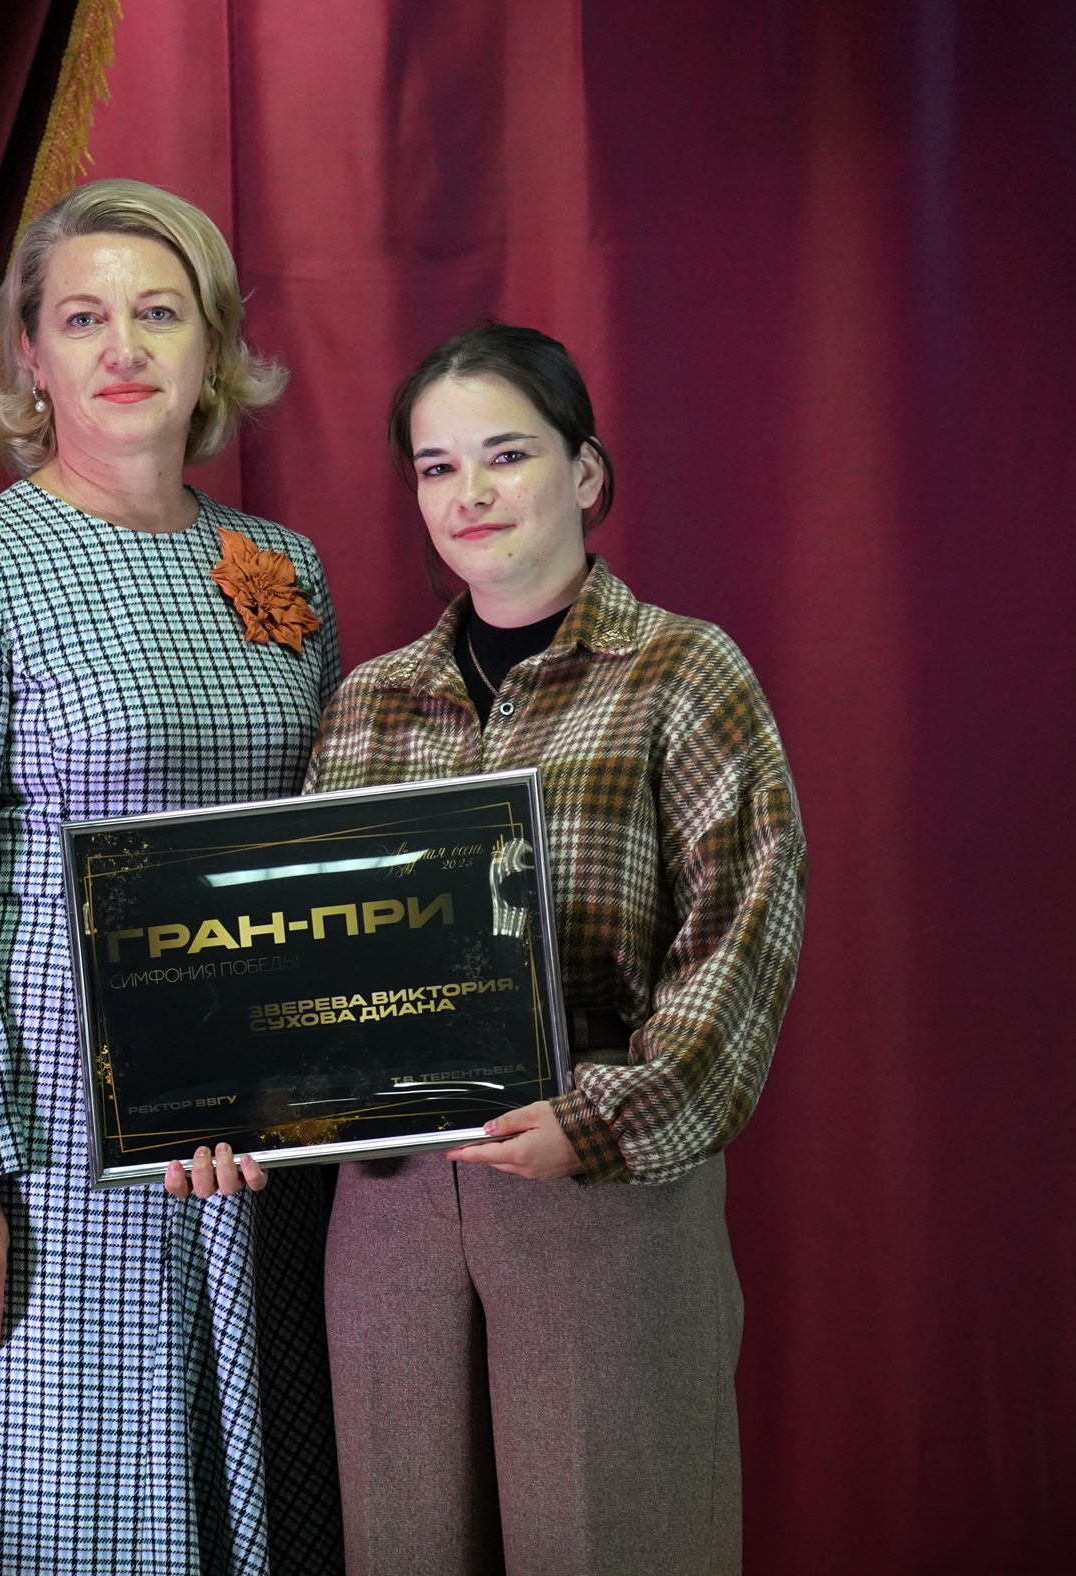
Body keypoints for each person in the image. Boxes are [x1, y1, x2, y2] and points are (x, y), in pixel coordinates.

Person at [0, 178, 344, 1574]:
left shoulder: (281, 568)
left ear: (214, 347)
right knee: (75, 1519)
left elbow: (321, 850)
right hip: (58, 1154)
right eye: (82, 319)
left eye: (159, 314)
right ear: (30, 353)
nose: (122, 348)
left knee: (266, 1501)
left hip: (260, 1146)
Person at [304, 323, 805, 1574]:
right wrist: (241, 1106)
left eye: (505, 454)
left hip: (601, 1192)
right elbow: (304, 963)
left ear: (584, 472)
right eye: (435, 467)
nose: (468, 492)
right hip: (391, 1210)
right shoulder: (366, 701)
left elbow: (743, 937)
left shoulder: (683, 672)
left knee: (613, 1542)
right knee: (407, 1545)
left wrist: (600, 1120)